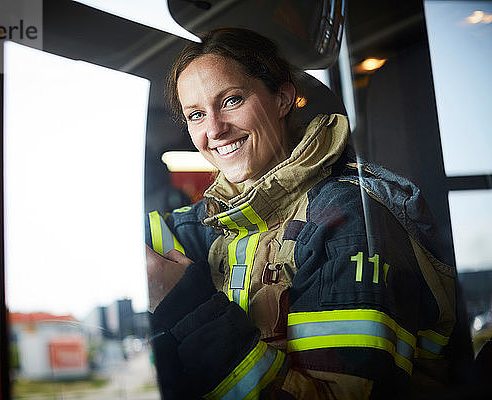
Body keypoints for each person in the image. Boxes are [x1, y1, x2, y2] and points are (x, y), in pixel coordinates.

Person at [144, 28, 466, 399]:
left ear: (282, 97)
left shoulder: (348, 218)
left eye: (232, 100)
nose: (214, 129)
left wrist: (187, 309)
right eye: (196, 114)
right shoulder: (216, 219)